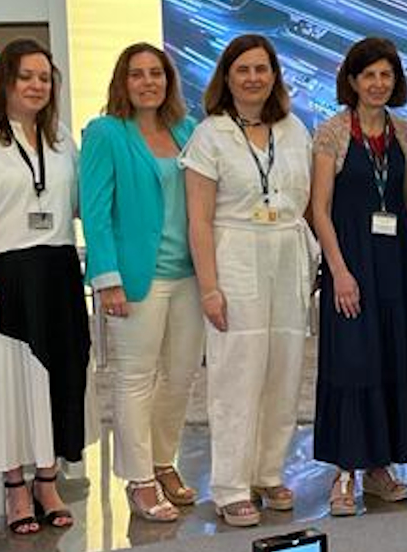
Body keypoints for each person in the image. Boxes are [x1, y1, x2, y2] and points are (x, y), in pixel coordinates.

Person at [0, 38, 87, 536]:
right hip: (2, 276)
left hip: (58, 274)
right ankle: (15, 487)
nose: (36, 86)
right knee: (9, 385)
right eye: (26, 76)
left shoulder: (61, 139)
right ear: (4, 80)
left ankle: (48, 481)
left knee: (57, 381)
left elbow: (80, 204)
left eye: (44, 78)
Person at [182, 34, 315, 528]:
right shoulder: (210, 135)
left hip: (286, 252)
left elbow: (306, 202)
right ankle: (231, 485)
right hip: (235, 253)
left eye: (262, 69)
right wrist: (209, 287)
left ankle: (268, 471)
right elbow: (198, 220)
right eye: (243, 69)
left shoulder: (294, 129)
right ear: (227, 77)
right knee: (237, 373)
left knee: (284, 369)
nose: (254, 78)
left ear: (275, 76)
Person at [79, 42, 203, 523]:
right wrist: (106, 279)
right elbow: (95, 211)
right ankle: (139, 480)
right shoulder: (106, 133)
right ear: (122, 82)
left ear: (168, 80)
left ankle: (162, 461)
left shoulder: (187, 130)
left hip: (189, 275)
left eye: (156, 73)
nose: (148, 82)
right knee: (135, 379)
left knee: (180, 376)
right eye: (137, 74)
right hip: (135, 278)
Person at [309, 37, 407, 516]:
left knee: (391, 360)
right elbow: (319, 209)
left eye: (386, 75)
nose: (378, 83)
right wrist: (338, 271)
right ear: (353, 81)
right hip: (351, 264)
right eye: (369, 75)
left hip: (394, 265)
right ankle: (344, 472)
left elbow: (405, 200)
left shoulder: (406, 132)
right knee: (353, 362)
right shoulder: (332, 133)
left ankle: (379, 467)